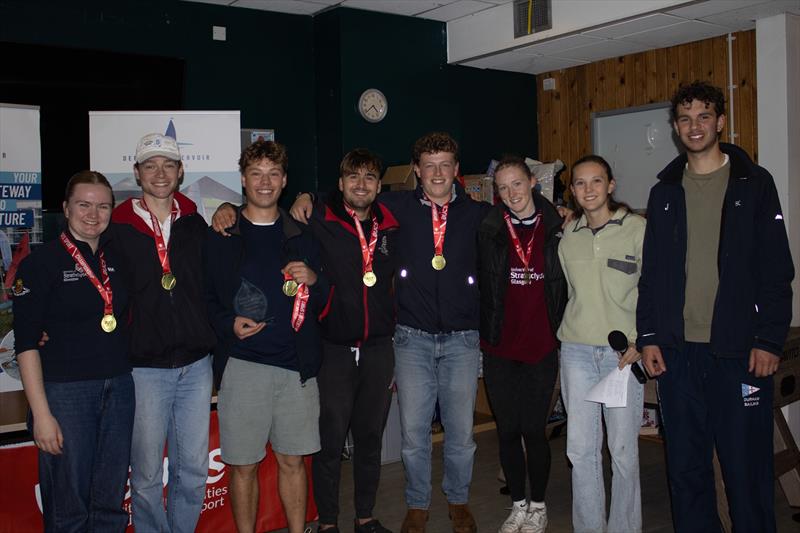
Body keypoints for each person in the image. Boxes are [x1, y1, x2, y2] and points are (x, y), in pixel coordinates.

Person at [291, 132, 489, 533]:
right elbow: (346, 197)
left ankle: (458, 499)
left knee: (461, 432)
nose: (437, 173)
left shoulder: (478, 213)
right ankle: (417, 504)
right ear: (415, 171)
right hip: (410, 338)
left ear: (456, 170)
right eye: (428, 165)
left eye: (445, 164)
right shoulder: (395, 207)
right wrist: (304, 196)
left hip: (462, 339)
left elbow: (524, 211)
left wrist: (559, 213)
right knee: (414, 433)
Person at [637, 81, 794, 533]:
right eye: (685, 119)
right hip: (677, 354)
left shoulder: (755, 184)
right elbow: (653, 275)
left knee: (746, 473)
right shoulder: (664, 191)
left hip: (739, 353)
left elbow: (777, 271)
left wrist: (769, 340)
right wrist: (648, 336)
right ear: (675, 127)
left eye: (704, 116)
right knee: (686, 472)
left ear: (720, 122)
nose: (694, 126)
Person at [205, 140, 326, 533]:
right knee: (243, 466)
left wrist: (315, 280)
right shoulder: (223, 232)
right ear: (243, 179)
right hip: (242, 367)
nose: (264, 182)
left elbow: (326, 296)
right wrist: (228, 324)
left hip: (296, 368)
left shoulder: (303, 235)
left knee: (293, 462)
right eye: (256, 173)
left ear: (285, 180)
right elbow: (204, 298)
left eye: (273, 173)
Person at [14, 171, 134, 531]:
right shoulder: (40, 264)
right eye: (84, 204)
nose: (93, 214)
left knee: (110, 500)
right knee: (69, 506)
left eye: (103, 206)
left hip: (119, 387)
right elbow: (26, 344)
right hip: (65, 393)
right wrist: (42, 414)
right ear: (65, 208)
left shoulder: (118, 259)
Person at [111, 133, 216, 533]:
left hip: (195, 365)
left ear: (180, 172)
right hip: (145, 369)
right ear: (137, 173)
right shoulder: (117, 227)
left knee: (192, 469)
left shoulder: (194, 223)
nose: (160, 173)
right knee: (147, 476)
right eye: (151, 165)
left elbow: (210, 284)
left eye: (168, 165)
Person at [477, 155, 567, 533]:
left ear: (532, 182)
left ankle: (539, 505)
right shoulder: (490, 227)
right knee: (508, 431)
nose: (511, 193)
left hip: (541, 347)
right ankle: (518, 503)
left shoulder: (560, 225)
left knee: (534, 430)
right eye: (502, 187)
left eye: (517, 183)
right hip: (499, 348)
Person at [557, 155, 646, 533]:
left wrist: (643, 340)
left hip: (621, 357)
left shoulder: (638, 229)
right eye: (580, 183)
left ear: (610, 185)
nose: (588, 189)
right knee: (580, 450)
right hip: (576, 351)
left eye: (596, 181)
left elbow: (656, 291)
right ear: (573, 191)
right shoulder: (568, 236)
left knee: (623, 452)